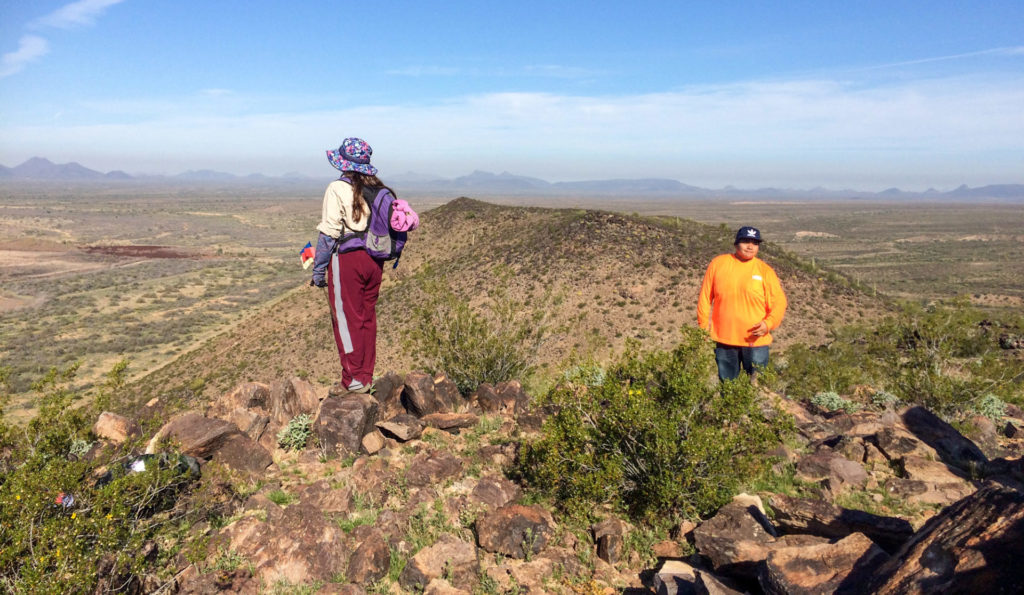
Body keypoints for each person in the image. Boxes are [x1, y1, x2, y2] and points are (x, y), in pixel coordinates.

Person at [310, 137, 395, 394]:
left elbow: (329, 234)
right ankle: (365, 375)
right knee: (367, 317)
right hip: (375, 261)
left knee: (346, 320)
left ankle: (352, 380)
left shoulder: (337, 188)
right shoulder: (379, 190)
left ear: (344, 163)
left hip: (348, 260)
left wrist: (318, 270)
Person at [697, 226, 787, 381]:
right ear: (736, 243)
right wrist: (703, 328)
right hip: (725, 340)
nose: (750, 246)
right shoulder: (718, 264)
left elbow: (779, 302)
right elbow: (705, 297)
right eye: (746, 241)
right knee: (728, 387)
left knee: (756, 389)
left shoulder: (765, 271)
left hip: (755, 340)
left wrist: (769, 323)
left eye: (755, 243)